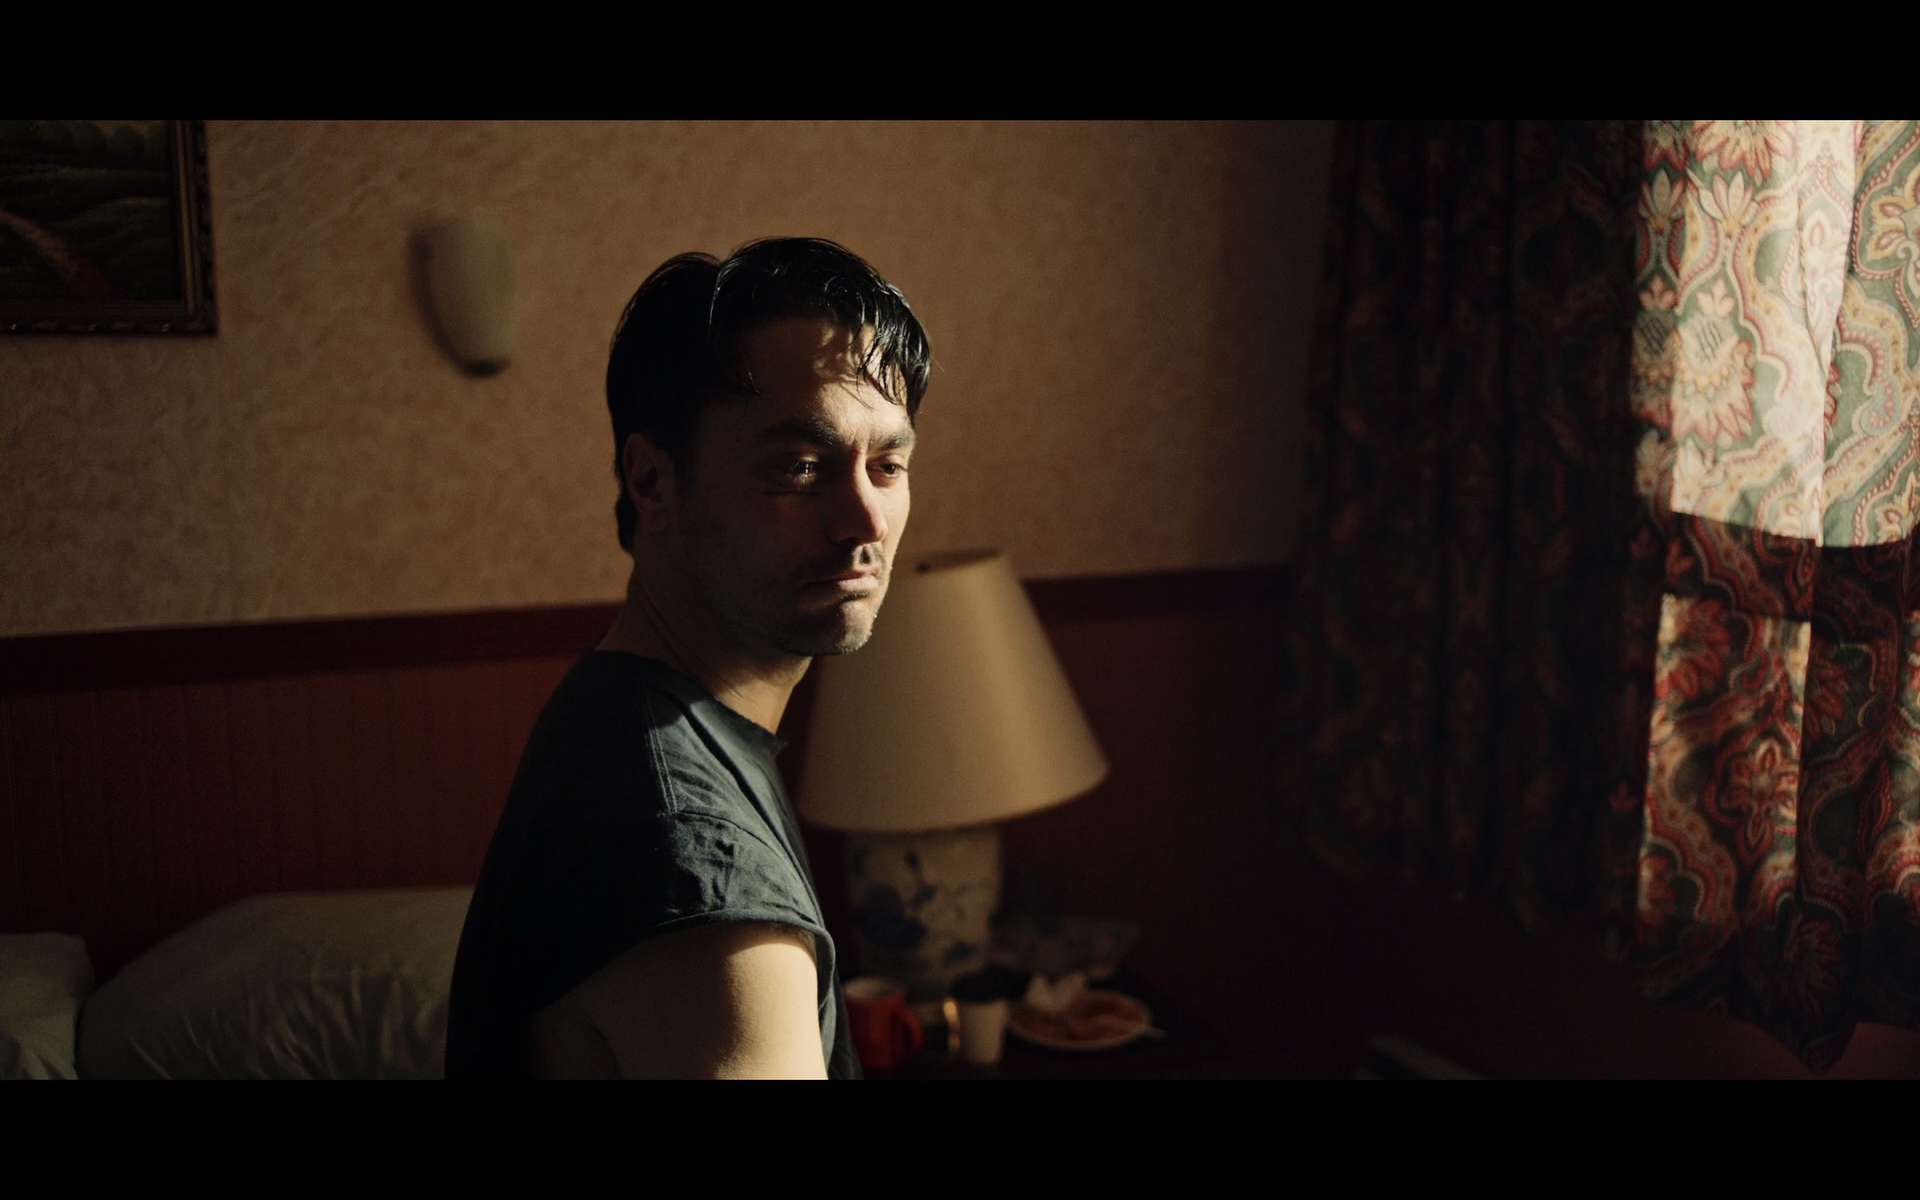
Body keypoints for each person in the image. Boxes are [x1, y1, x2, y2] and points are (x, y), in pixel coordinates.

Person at [444, 237, 929, 1078]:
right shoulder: (699, 872)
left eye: (887, 465)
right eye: (800, 467)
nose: (865, 519)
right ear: (653, 482)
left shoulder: (628, 716)